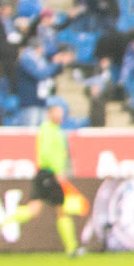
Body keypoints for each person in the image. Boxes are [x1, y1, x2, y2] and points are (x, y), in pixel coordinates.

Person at [9, 100, 85, 256]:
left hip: (46, 174)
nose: (60, 114)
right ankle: (72, 248)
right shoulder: (47, 130)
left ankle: (5, 221)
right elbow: (46, 153)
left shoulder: (56, 130)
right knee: (61, 210)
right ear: (50, 113)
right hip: (49, 174)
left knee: (36, 210)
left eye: (61, 111)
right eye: (57, 111)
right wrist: (57, 171)